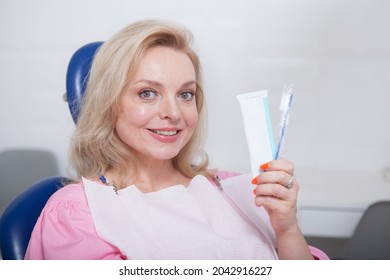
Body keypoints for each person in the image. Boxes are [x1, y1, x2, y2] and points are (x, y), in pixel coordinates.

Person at [25, 19, 328, 260]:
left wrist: (287, 229)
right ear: (109, 103)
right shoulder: (77, 214)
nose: (173, 112)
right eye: (147, 93)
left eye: (185, 94)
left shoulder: (235, 190)